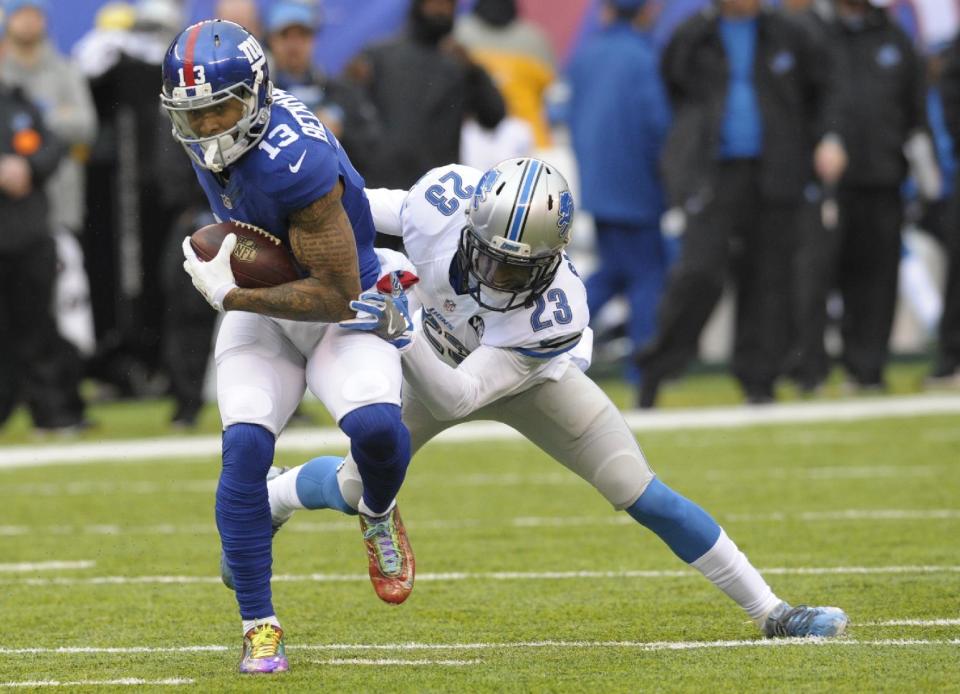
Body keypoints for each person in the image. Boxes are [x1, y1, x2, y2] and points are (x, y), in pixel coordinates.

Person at [247, 157, 849, 643]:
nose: (494, 278)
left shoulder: (553, 310)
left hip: (514, 375)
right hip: (430, 355)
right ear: (470, 224)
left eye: (516, 270)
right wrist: (281, 232)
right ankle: (276, 494)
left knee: (637, 489)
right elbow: (352, 212)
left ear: (552, 260)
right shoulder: (441, 205)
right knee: (358, 489)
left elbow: (459, 398)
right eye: (488, 257)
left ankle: (772, 611)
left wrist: (402, 334)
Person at [160, 20, 413, 674]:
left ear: (257, 94)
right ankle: (259, 625)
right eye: (194, 115)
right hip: (270, 299)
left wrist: (233, 294)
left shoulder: (297, 165)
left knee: (379, 430)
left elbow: (334, 292)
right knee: (243, 446)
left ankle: (378, 511)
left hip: (342, 298)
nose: (210, 127)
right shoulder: (214, 128)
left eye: (221, 109)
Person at [636, 0, 847, 407]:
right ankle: (658, 368)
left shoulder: (791, 34)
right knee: (699, 273)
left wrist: (830, 138)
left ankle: (759, 379)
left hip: (777, 172)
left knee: (769, 278)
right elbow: (671, 93)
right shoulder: (692, 35)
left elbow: (825, 94)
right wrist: (684, 156)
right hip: (712, 173)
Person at [825, 0, 931, 391]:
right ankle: (822, 365)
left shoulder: (896, 39)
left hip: (885, 177)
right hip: (830, 183)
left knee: (880, 277)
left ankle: (869, 367)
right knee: (828, 274)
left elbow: (916, 113)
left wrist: (926, 180)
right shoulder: (822, 36)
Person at [566, 0, 672, 386]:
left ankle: (546, 334)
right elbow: (657, 126)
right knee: (647, 277)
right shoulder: (645, 58)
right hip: (636, 187)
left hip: (599, 183)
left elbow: (569, 117)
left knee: (614, 273)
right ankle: (644, 370)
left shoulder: (586, 56)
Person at [0, 46, 88, 434]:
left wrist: (28, 165)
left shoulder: (18, 101)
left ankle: (52, 414)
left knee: (38, 330)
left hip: (29, 235)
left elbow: (54, 144)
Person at [345, 0, 506, 191]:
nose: (442, 10)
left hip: (437, 192)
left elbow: (493, 116)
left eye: (448, 5)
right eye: (436, 3)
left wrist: (475, 72)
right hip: (381, 189)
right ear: (419, 5)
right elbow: (348, 117)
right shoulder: (377, 56)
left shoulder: (458, 64)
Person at [264, 1, 383, 177]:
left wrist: (340, 134)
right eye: (285, 35)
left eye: (302, 35)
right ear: (272, 40)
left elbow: (372, 148)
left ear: (313, 40)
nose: (293, 45)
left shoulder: (342, 92)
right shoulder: (259, 96)